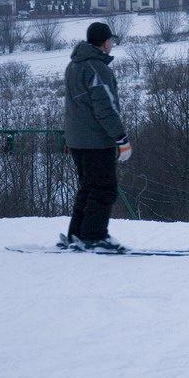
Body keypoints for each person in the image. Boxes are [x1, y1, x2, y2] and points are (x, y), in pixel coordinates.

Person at [62, 22, 133, 252]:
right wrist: (121, 137)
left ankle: (77, 234)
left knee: (88, 187)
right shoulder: (96, 68)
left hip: (77, 140)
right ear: (104, 43)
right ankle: (94, 237)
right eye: (110, 40)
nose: (111, 44)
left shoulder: (74, 66)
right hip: (95, 141)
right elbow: (106, 109)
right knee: (104, 189)